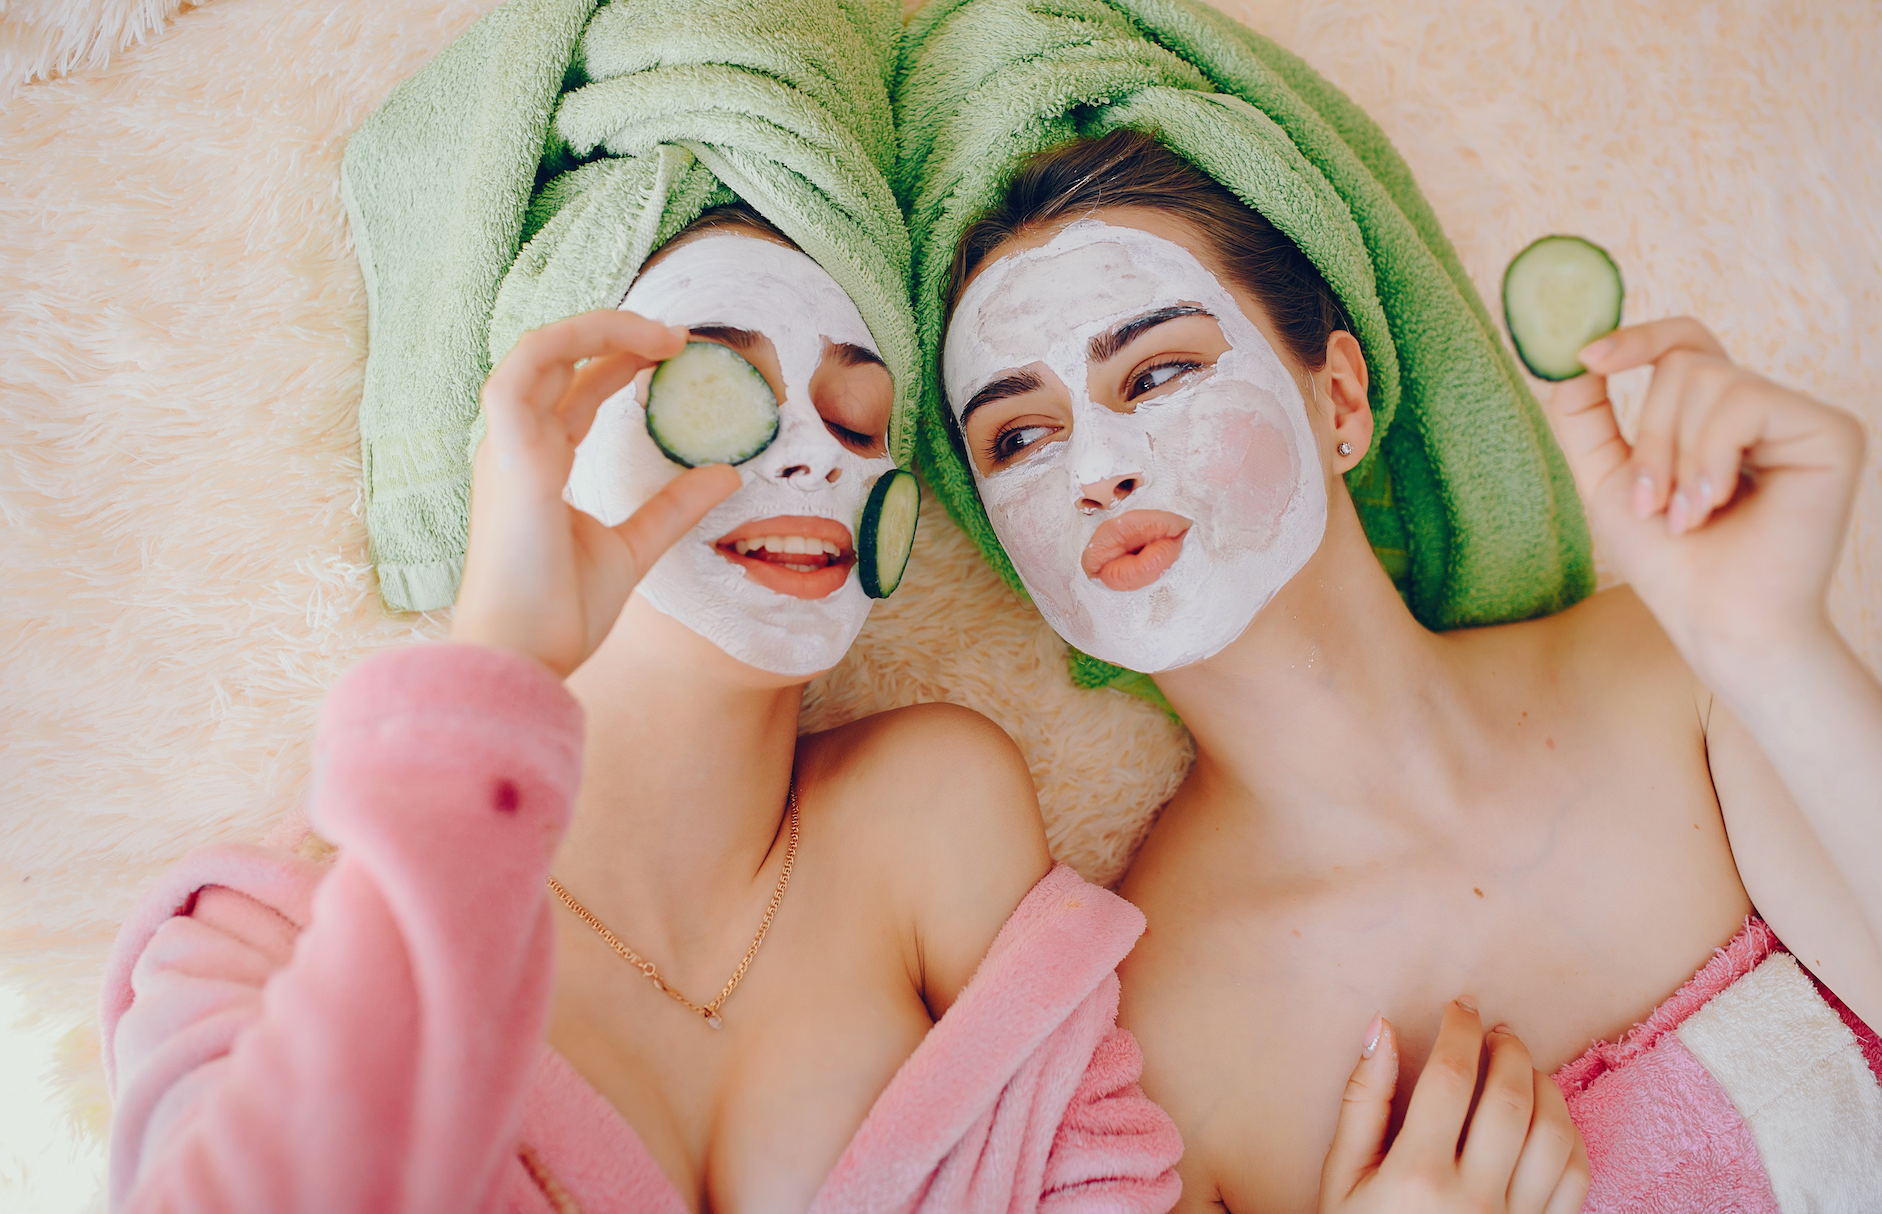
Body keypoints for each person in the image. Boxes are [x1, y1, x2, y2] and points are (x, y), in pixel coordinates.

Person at [101, 217, 1591, 1214]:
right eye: (717, 397)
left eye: (859, 415)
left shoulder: (937, 814)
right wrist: (499, 662)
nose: (811, 456)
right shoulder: (240, 953)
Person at [899, 0, 1882, 1214]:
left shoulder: (1670, 678)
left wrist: (1771, 646)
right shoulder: (1148, 1064)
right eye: (1018, 438)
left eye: (1153, 373)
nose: (1094, 468)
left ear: (1340, 398)